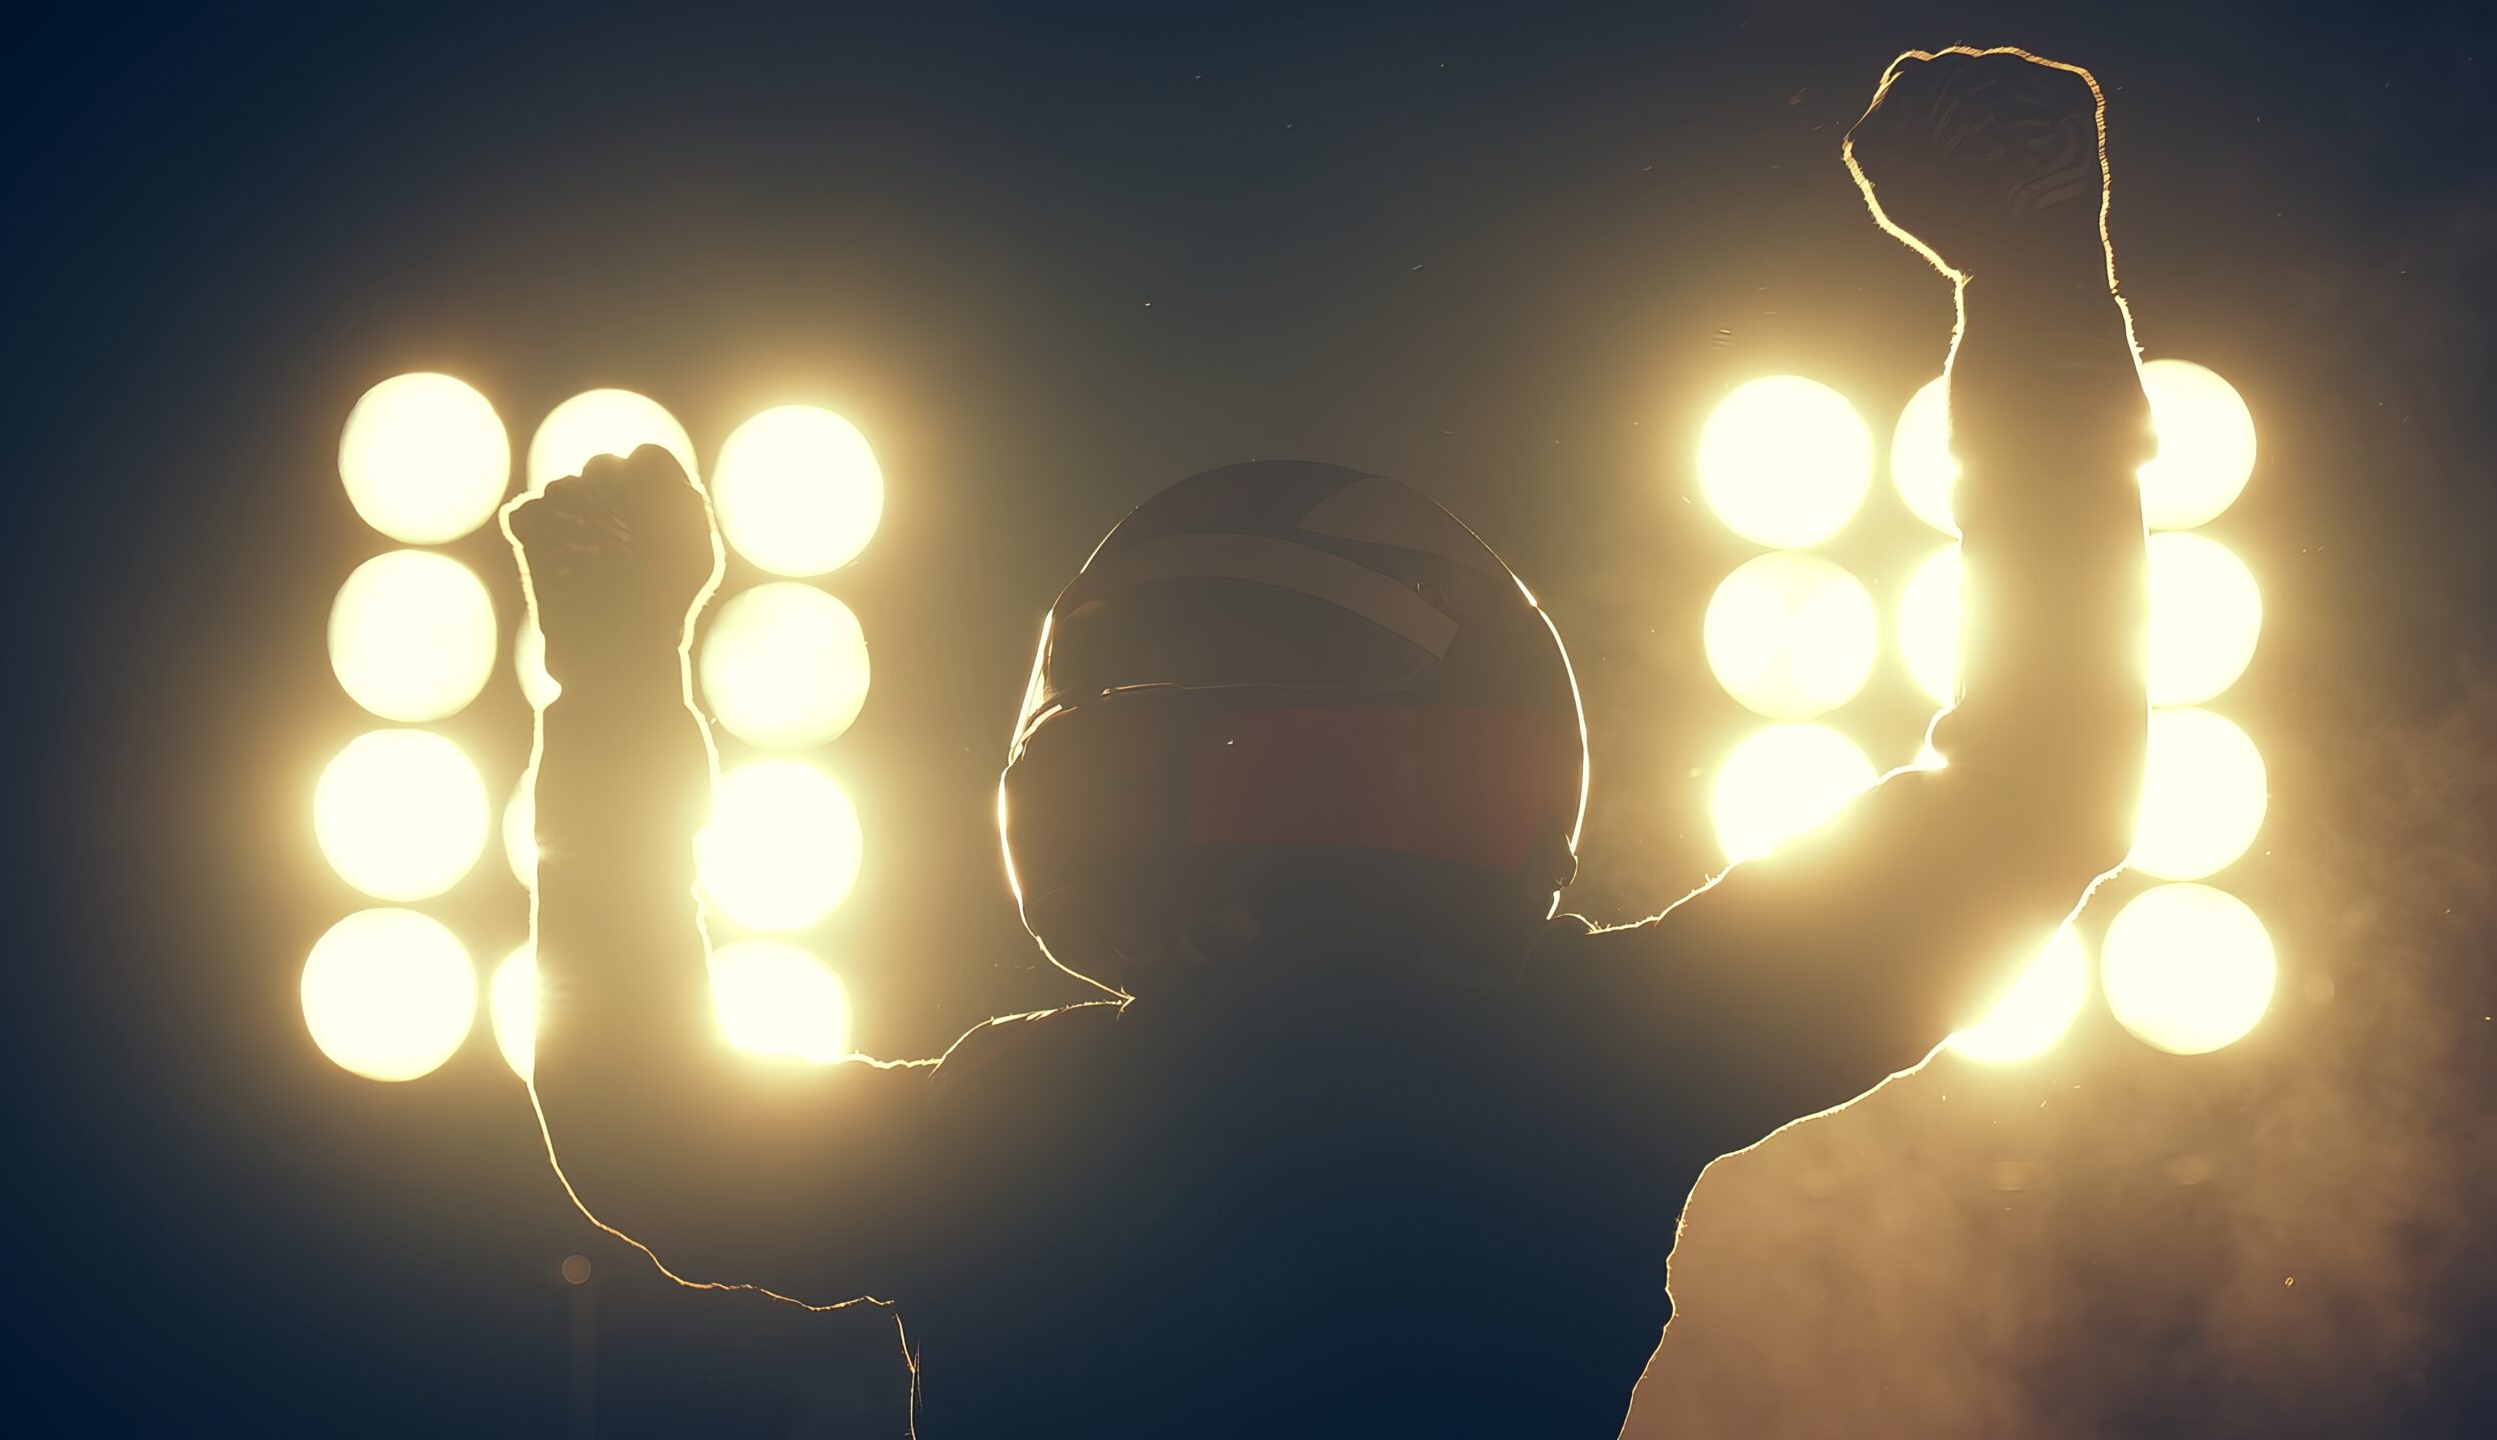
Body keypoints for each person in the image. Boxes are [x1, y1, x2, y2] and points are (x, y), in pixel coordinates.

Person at [505, 46, 2151, 1438]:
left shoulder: (1040, 1130)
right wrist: (2034, 288)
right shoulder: (1593, 1065)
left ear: (1096, 785)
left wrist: (615, 690)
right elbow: (2040, 792)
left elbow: (649, 1127)